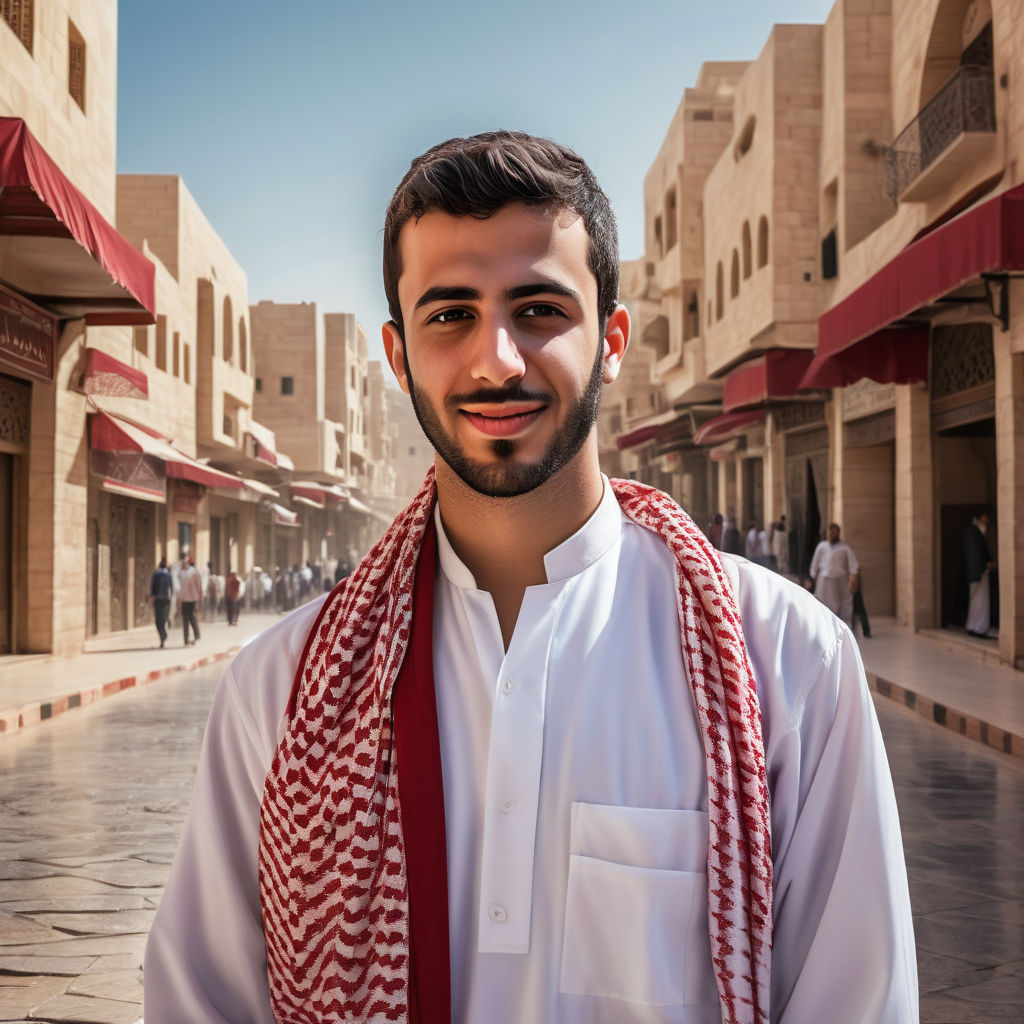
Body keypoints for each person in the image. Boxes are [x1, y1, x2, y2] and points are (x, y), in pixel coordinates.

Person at [144, 131, 917, 1024]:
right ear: (398, 359)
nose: (497, 360)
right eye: (450, 315)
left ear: (613, 339)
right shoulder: (277, 692)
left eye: (540, 309)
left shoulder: (787, 664)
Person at [809, 523, 860, 626]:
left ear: (838, 533)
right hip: (824, 581)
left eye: (834, 532)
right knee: (823, 606)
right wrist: (813, 579)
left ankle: (843, 628)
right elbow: (814, 564)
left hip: (840, 581)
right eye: (830, 532)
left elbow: (853, 566)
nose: (832, 534)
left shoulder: (844, 548)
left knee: (843, 606)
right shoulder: (821, 546)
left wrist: (853, 579)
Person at [959, 513, 997, 637]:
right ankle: (978, 628)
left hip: (979, 573)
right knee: (978, 601)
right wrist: (985, 565)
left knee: (979, 601)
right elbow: (974, 555)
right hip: (977, 573)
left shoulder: (975, 533)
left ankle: (976, 626)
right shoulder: (973, 533)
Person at [148, 557, 173, 649]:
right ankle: (167, 621)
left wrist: (151, 598)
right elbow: (172, 588)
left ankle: (163, 636)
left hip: (158, 599)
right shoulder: (169, 575)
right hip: (166, 599)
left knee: (158, 620)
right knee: (164, 617)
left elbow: (152, 587)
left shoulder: (155, 574)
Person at [178, 557, 203, 646]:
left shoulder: (191, 573)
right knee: (188, 618)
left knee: (189, 618)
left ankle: (193, 636)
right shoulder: (184, 573)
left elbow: (198, 585)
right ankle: (189, 637)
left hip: (189, 599)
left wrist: (199, 597)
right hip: (188, 599)